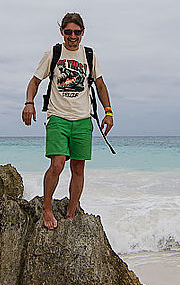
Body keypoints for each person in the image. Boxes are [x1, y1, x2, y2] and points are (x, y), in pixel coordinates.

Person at [22, 12, 113, 229]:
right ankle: (47, 208)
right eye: (68, 31)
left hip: (82, 120)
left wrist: (108, 112)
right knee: (57, 164)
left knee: (78, 168)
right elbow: (34, 81)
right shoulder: (53, 53)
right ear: (62, 32)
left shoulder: (89, 55)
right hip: (58, 117)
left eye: (77, 32)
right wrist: (29, 103)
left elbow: (100, 85)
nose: (73, 36)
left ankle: (72, 212)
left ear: (83, 33)